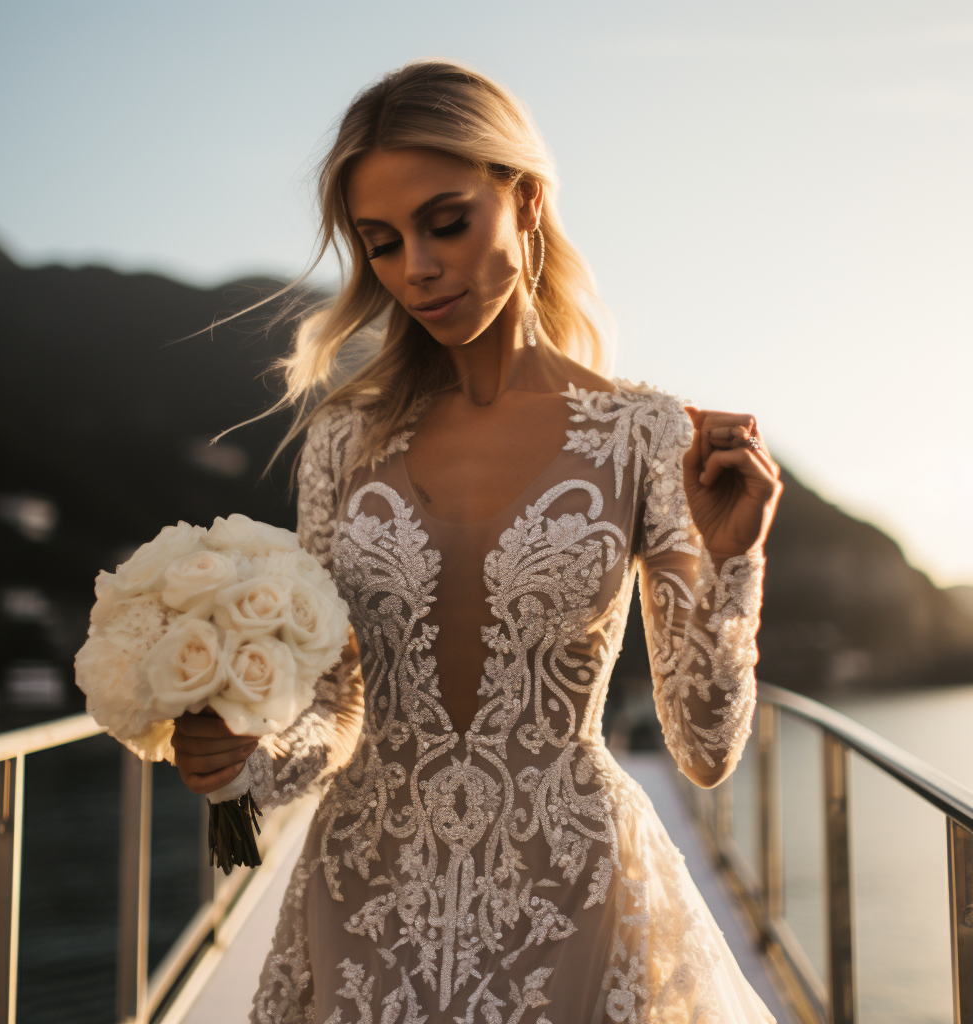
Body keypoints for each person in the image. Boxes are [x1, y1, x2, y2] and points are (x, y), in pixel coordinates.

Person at [172, 58, 782, 1024]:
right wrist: (242, 756)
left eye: (445, 221)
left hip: (571, 902)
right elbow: (333, 715)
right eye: (380, 242)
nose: (415, 265)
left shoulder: (644, 433)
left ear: (525, 197)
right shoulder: (342, 438)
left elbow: (704, 748)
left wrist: (731, 560)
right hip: (364, 898)